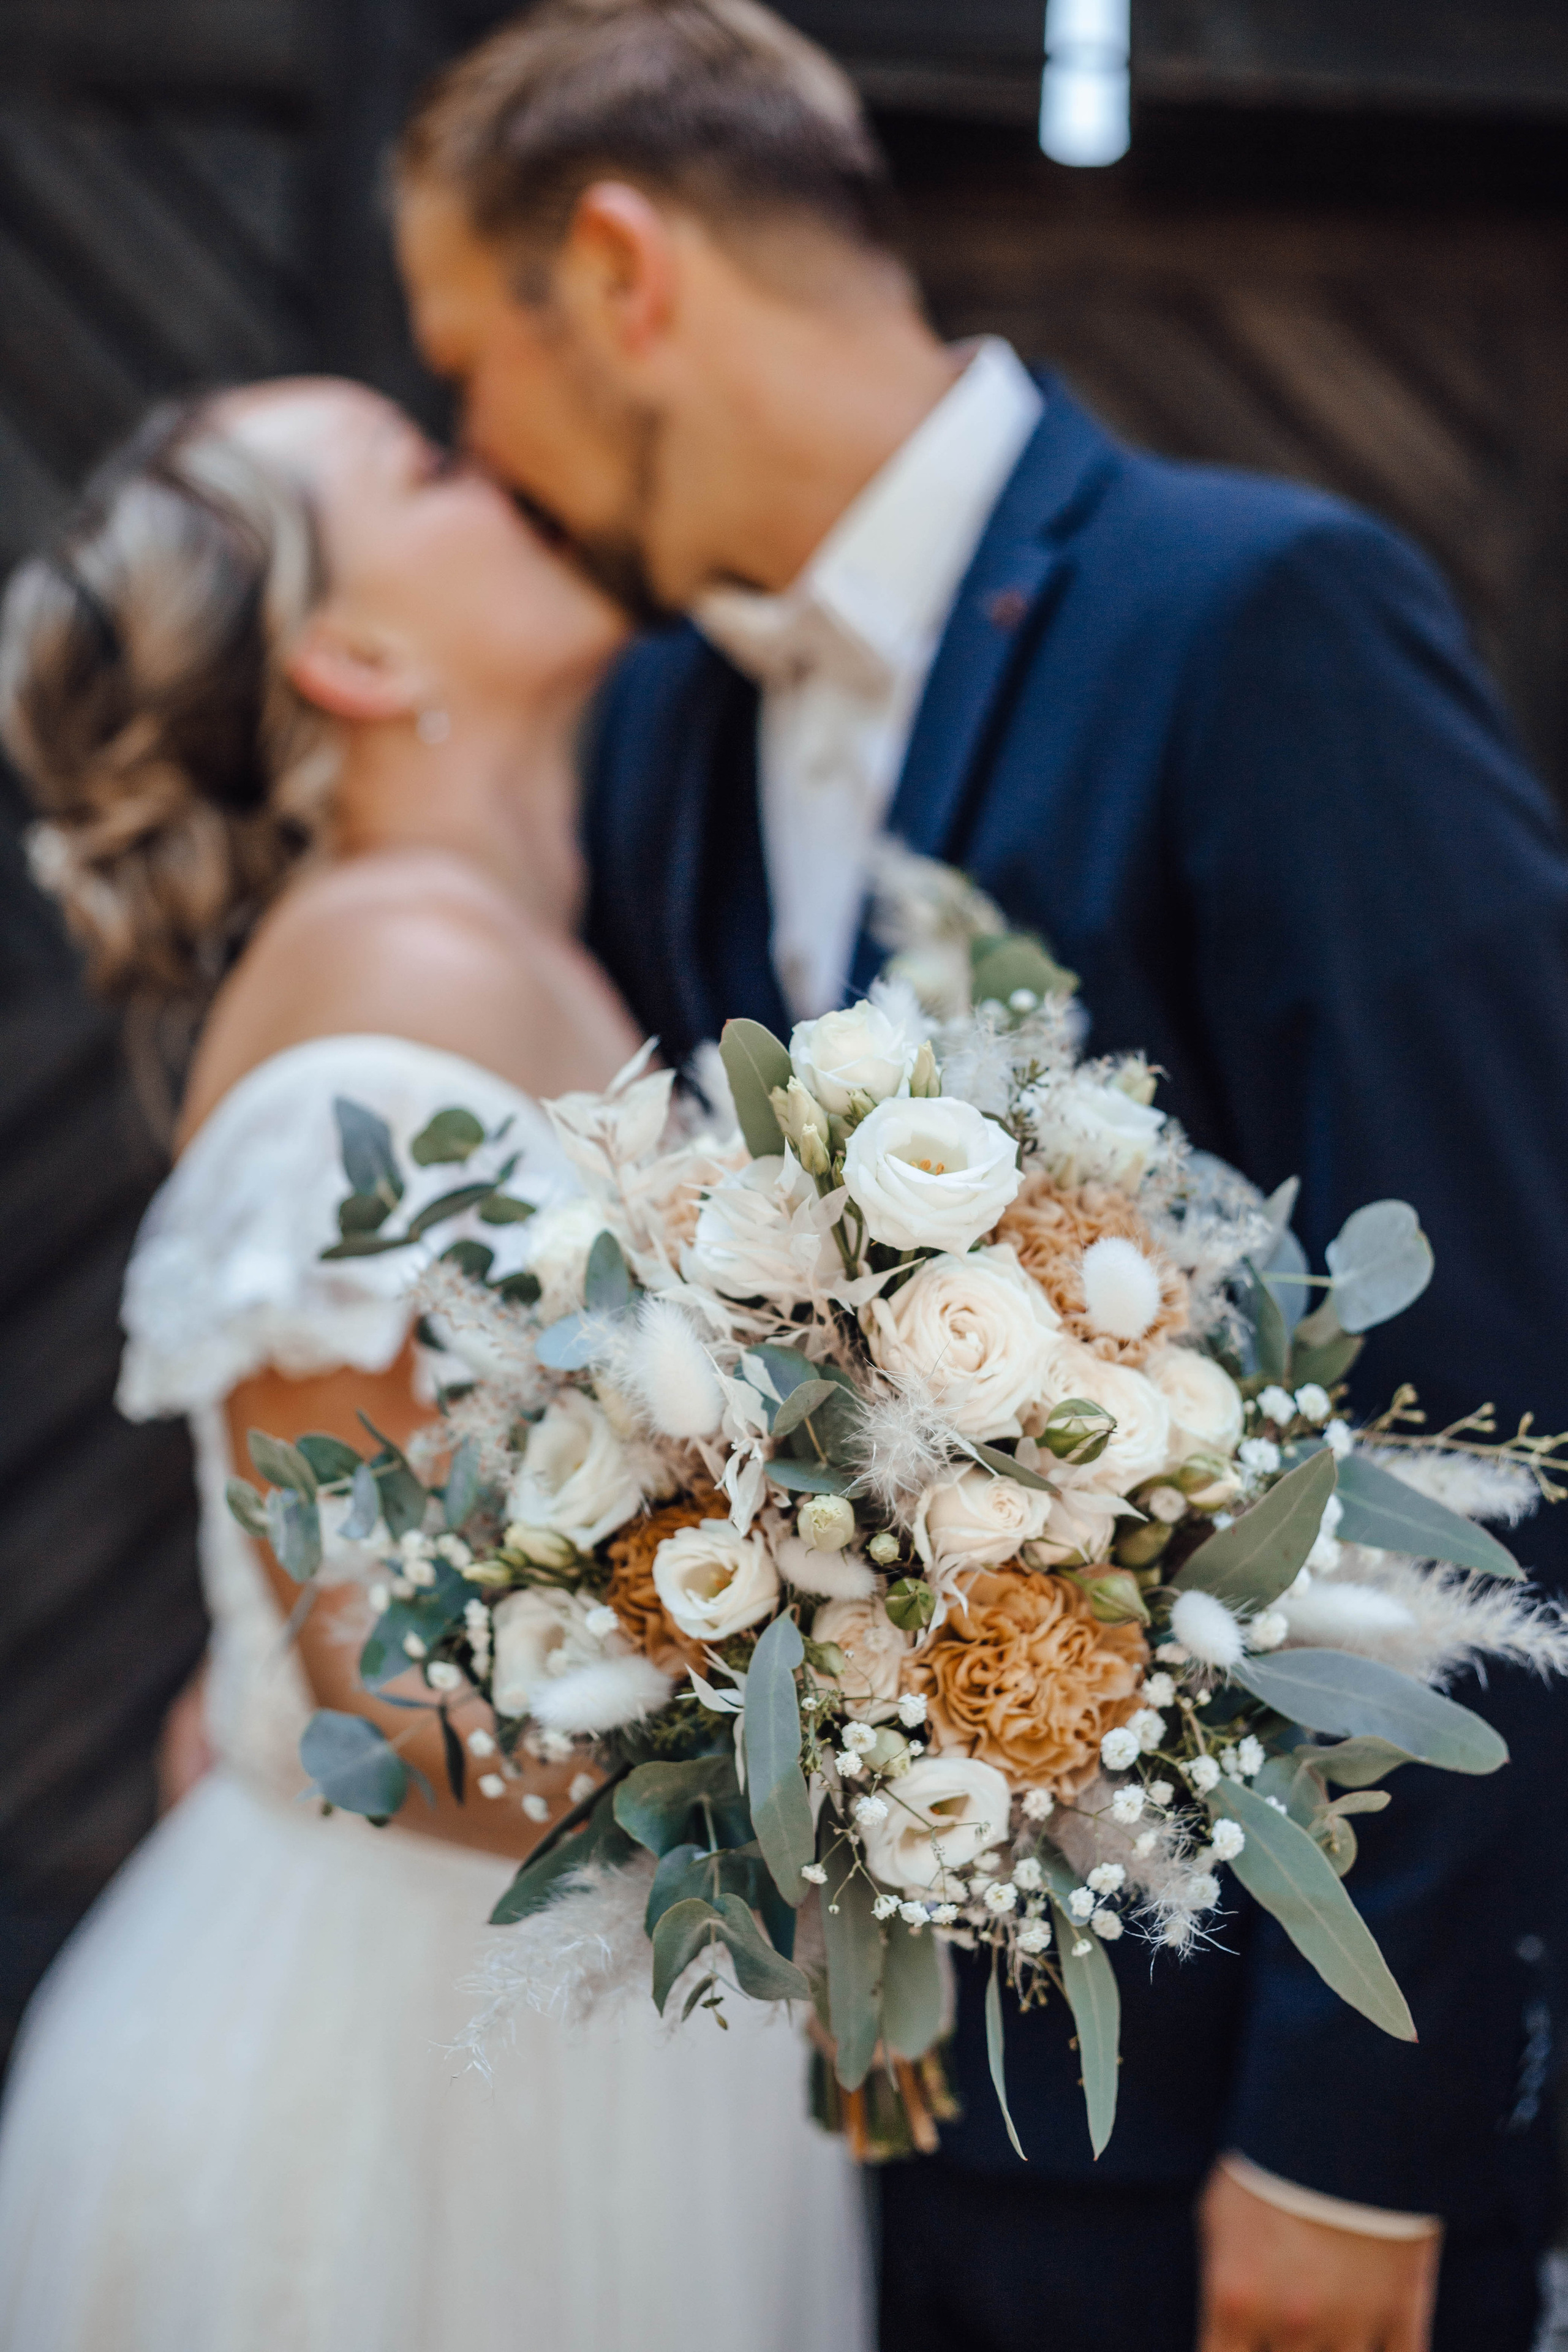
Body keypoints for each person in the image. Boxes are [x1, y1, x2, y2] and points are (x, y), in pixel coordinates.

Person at [392, 5, 1568, 2350]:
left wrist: (1363, 2144)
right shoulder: (662, 736)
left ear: (620, 273)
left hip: (1241, 2106)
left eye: (467, 366)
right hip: (859, 2130)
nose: (476, 455)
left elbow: (1507, 1391)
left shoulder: (1260, 621)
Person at [0, 379, 869, 2352]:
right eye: (430, 467)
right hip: (419, 2091)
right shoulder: (404, 972)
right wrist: (886, 1775)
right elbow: (382, 1700)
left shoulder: (519, 945)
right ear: (355, 654)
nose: (512, 464)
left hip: (591, 2020)